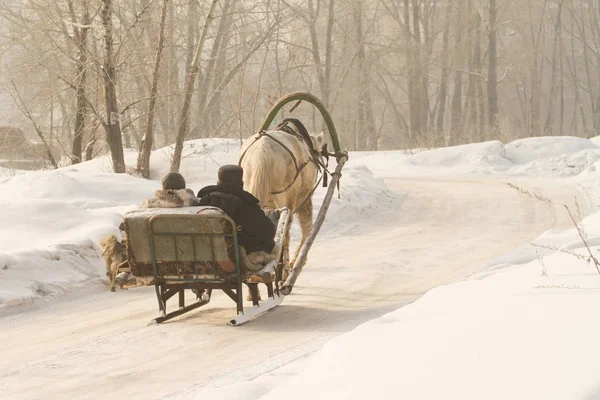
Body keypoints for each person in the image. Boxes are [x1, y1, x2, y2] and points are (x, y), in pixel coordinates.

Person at [197, 165, 275, 257]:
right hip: (236, 259)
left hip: (205, 256)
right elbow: (269, 232)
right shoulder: (249, 206)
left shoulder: (204, 202)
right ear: (241, 182)